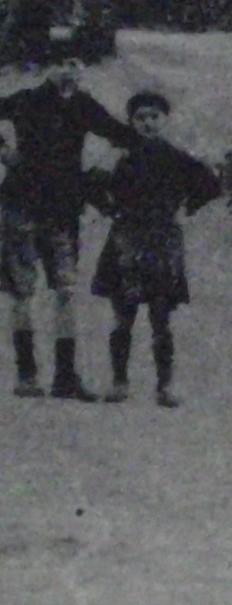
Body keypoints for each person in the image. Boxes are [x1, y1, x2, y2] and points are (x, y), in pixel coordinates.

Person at [0, 54, 137, 400]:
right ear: (46, 68)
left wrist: (102, 169)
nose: (69, 71)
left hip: (63, 209)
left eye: (76, 63)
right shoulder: (26, 100)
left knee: (66, 289)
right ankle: (27, 375)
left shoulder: (84, 105)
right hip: (20, 205)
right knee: (22, 291)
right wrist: (4, 154)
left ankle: (65, 377)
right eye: (60, 63)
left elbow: (123, 135)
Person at [90, 91, 222, 407]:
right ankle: (119, 382)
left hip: (163, 241)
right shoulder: (121, 157)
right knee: (123, 314)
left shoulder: (176, 157)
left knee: (161, 317)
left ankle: (165, 386)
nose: (148, 123)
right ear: (131, 122)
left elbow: (211, 184)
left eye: (154, 117)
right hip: (127, 239)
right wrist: (110, 210)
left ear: (164, 120)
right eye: (140, 117)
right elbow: (92, 186)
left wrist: (187, 208)